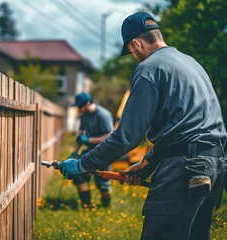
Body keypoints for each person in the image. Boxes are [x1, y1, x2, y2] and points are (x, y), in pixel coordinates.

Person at [59, 12, 227, 240]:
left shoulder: (149, 68)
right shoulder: (191, 63)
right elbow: (190, 126)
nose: (134, 57)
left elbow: (126, 137)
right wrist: (147, 164)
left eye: (131, 51)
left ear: (136, 44)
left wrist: (82, 165)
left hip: (184, 171)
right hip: (214, 168)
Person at [69, 92, 114, 208]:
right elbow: (79, 134)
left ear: (88, 104)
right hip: (91, 150)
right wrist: (75, 152)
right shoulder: (84, 115)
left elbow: (109, 136)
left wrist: (89, 140)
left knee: (102, 181)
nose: (79, 109)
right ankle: (86, 205)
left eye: (80, 107)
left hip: (105, 152)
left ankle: (106, 207)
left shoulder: (103, 115)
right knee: (79, 174)